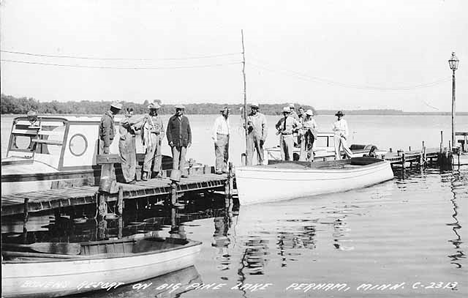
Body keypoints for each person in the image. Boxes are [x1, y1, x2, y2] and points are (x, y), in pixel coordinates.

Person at [141, 102, 165, 181]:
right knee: (149, 155)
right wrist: (144, 140)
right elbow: (143, 129)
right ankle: (145, 172)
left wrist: (161, 137)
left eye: (155, 110)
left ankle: (156, 172)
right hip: (150, 137)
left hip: (158, 137)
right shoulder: (147, 118)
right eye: (153, 110)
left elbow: (162, 130)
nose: (154, 111)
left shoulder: (159, 118)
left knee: (158, 155)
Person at [167, 105, 192, 178]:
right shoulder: (172, 119)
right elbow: (168, 131)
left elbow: (189, 131)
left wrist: (190, 141)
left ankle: (181, 172)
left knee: (183, 158)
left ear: (183, 111)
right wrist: (170, 140)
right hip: (175, 142)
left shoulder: (186, 119)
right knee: (175, 158)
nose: (178, 111)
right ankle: (175, 174)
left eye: (180, 110)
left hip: (184, 142)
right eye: (177, 110)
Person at [119, 108, 137, 184]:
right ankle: (127, 178)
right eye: (128, 112)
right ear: (126, 112)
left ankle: (131, 177)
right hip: (124, 142)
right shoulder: (124, 120)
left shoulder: (131, 121)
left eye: (131, 113)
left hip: (131, 142)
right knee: (125, 160)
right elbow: (130, 122)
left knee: (132, 160)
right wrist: (144, 117)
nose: (130, 114)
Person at [212, 107, 230, 174]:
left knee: (226, 154)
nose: (227, 113)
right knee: (220, 153)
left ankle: (224, 168)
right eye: (226, 112)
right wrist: (215, 140)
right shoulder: (218, 119)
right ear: (222, 112)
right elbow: (214, 130)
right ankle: (218, 168)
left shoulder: (227, 120)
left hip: (226, 136)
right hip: (220, 136)